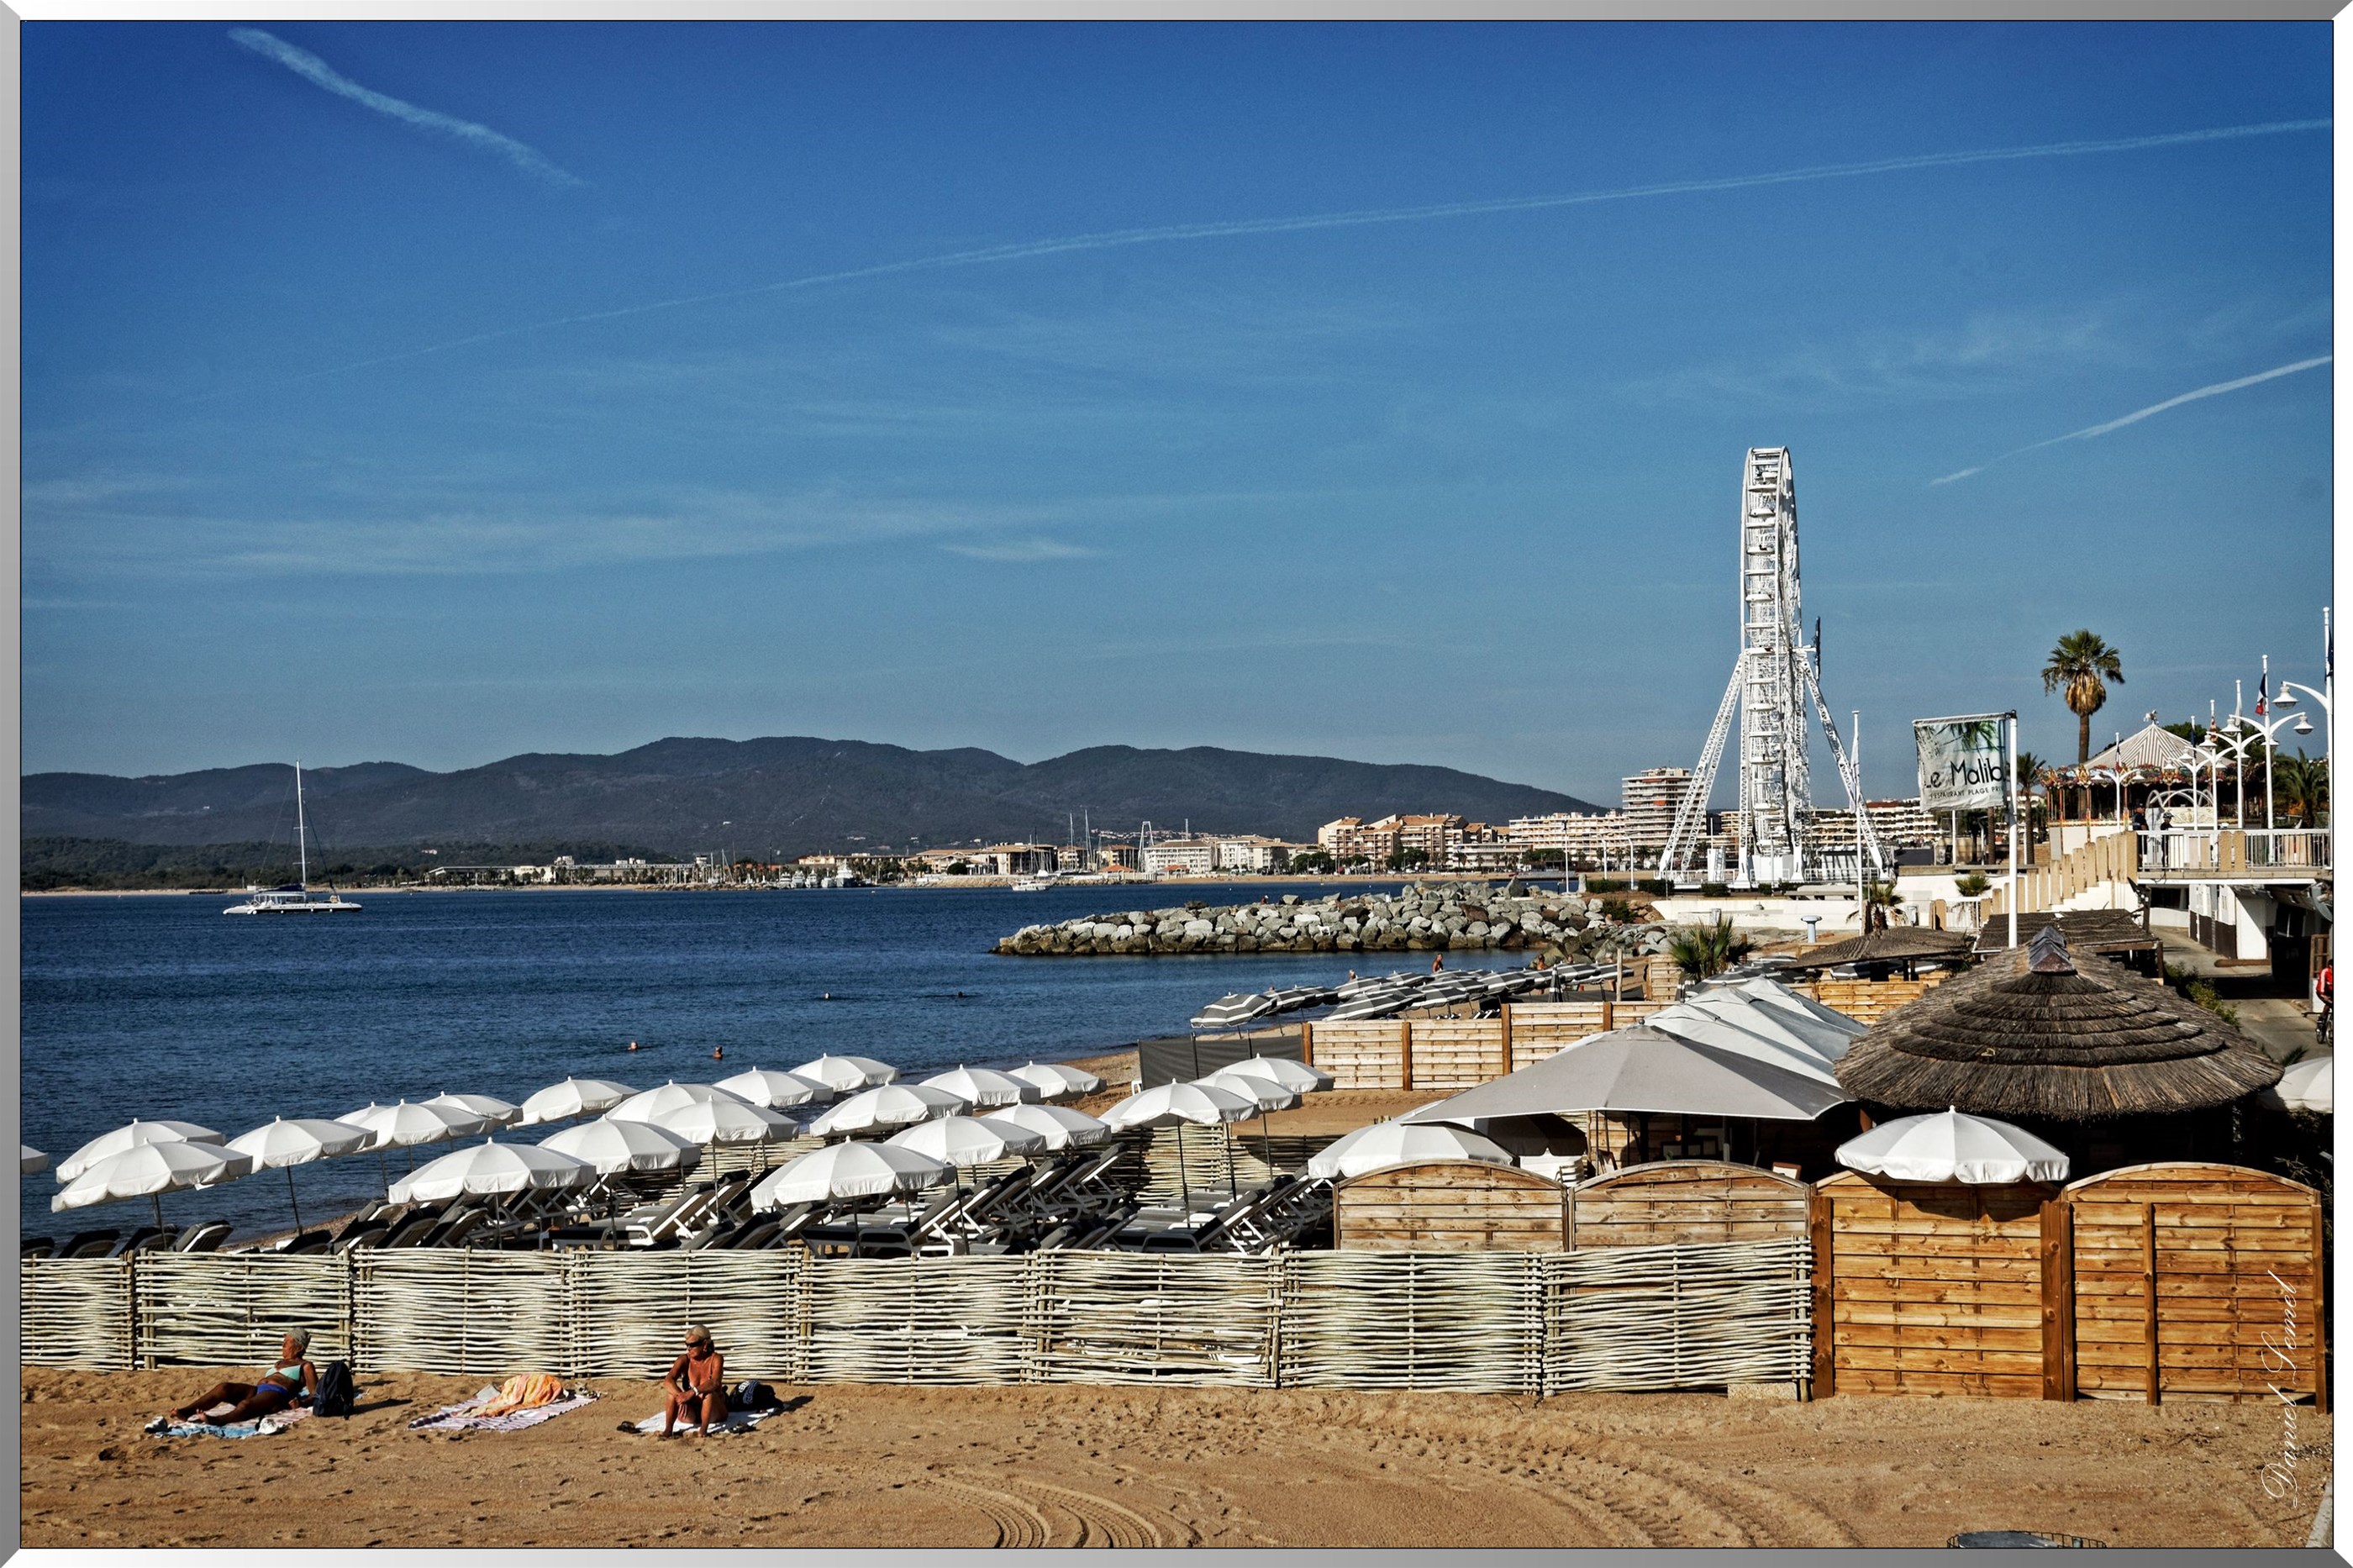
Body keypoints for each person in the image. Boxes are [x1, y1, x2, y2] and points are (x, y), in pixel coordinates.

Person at [158, 1329, 316, 1428]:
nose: (283, 1346)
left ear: (299, 1347)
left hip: (277, 1396)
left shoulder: (306, 1366)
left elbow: (315, 1394)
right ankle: (187, 1412)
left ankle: (219, 1420)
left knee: (246, 1404)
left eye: (287, 1343)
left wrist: (301, 1403)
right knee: (224, 1387)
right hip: (259, 1390)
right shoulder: (280, 1362)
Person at [661, 1324, 727, 1439]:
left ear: (705, 1344)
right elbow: (668, 1381)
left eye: (693, 1345)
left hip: (714, 1411)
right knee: (671, 1394)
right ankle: (668, 1429)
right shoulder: (685, 1359)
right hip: (691, 1411)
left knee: (709, 1394)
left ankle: (703, 1430)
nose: (689, 1349)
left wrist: (692, 1392)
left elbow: (715, 1382)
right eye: (687, 1345)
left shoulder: (716, 1359)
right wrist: (680, 1395)